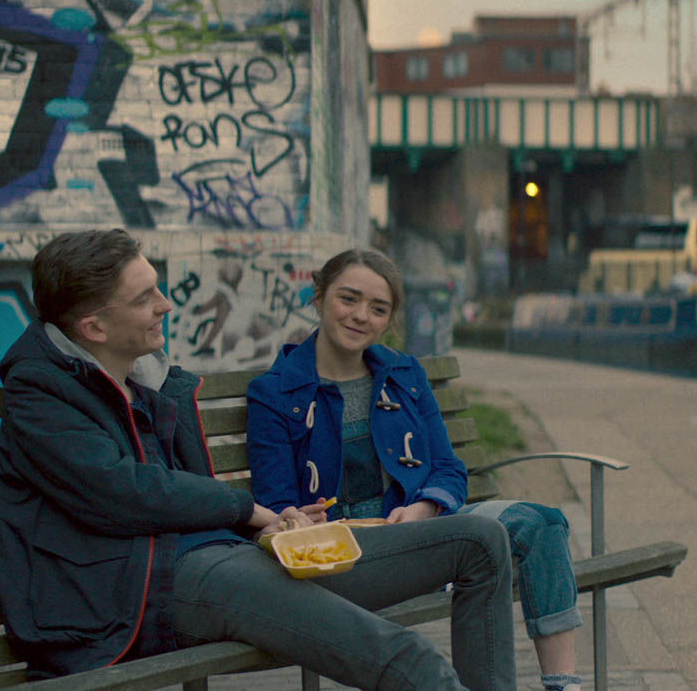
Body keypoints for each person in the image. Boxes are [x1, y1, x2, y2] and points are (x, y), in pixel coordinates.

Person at [0, 229, 517, 690]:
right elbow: (125, 492)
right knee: (407, 656)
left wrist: (272, 525)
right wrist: (250, 511)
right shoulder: (41, 395)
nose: (166, 304)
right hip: (134, 595)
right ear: (94, 328)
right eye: (146, 297)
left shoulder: (149, 381)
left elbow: (183, 495)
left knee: (479, 541)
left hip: (220, 559)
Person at [247, 249, 584, 691]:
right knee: (480, 540)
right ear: (319, 296)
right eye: (348, 299)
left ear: (389, 320)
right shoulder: (274, 392)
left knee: (543, 523)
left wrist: (424, 508)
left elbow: (448, 469)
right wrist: (295, 519)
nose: (360, 315)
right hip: (343, 554)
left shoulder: (404, 375)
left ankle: (564, 686)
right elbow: (275, 504)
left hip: (416, 530)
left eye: (378, 308)